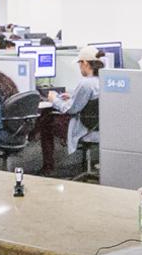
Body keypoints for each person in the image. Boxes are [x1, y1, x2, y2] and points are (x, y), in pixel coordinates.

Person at [39, 47, 103, 176]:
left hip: (86, 128)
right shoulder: (102, 80)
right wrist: (72, 96)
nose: (80, 68)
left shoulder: (86, 83)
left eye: (79, 64)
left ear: (84, 63)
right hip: (98, 127)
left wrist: (54, 99)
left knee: (44, 123)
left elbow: (70, 109)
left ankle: (48, 168)